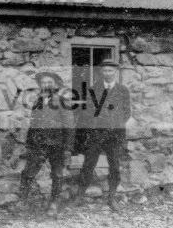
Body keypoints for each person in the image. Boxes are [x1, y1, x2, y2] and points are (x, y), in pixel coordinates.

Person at [75, 59, 131, 212]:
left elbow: (127, 112)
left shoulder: (123, 90)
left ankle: (111, 198)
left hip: (114, 135)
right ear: (101, 72)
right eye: (105, 70)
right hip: (96, 133)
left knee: (115, 166)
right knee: (88, 164)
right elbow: (87, 112)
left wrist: (115, 124)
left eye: (110, 70)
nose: (108, 73)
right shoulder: (93, 89)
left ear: (115, 72)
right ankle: (80, 196)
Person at [18, 72, 74, 216]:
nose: (46, 85)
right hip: (38, 144)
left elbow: (69, 126)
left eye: (50, 82)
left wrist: (68, 148)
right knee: (28, 173)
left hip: (57, 145)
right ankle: (22, 201)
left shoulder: (62, 101)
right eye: (43, 83)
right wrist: (28, 144)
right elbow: (33, 124)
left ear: (55, 85)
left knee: (57, 174)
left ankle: (54, 203)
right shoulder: (37, 101)